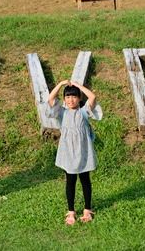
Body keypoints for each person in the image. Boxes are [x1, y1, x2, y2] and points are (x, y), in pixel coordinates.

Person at [47, 79, 102, 225]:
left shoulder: (84, 112)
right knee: (70, 181)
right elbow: (51, 99)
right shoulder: (62, 113)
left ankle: (87, 210)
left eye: (74, 96)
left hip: (83, 152)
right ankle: (71, 211)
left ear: (79, 98)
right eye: (68, 97)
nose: (71, 100)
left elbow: (92, 97)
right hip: (68, 153)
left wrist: (77, 85)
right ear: (64, 99)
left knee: (85, 180)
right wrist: (60, 84)